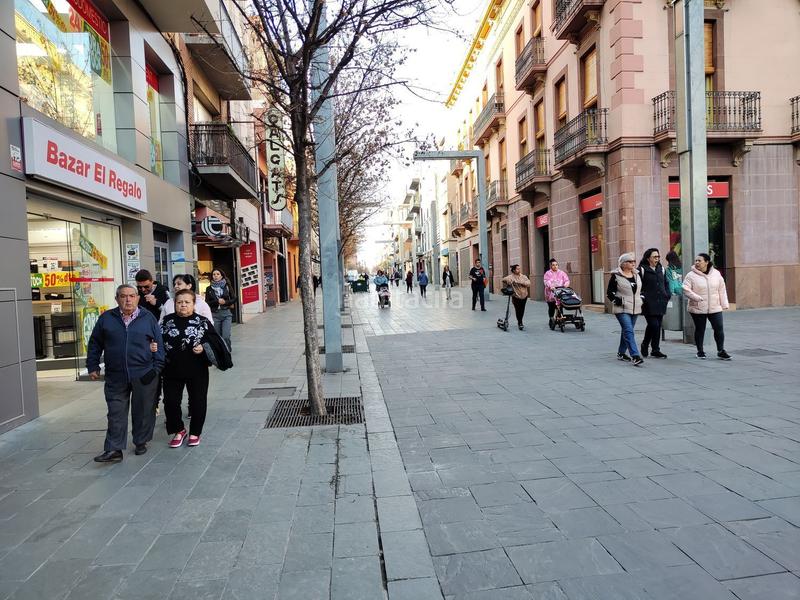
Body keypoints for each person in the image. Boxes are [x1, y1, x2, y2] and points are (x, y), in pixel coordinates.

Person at [87, 284, 165, 462]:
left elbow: (158, 343)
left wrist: (156, 369)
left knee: (144, 410)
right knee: (115, 412)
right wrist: (93, 365)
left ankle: (141, 441)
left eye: (131, 296)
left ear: (138, 298)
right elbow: (95, 343)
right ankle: (114, 449)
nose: (128, 299)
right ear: (117, 299)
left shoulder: (148, 318)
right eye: (123, 296)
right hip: (116, 375)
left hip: (144, 373)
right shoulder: (107, 318)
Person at [160, 289, 214, 448]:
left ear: (193, 304)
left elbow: (216, 344)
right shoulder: (166, 321)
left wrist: (204, 348)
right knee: (170, 401)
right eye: (179, 302)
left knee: (198, 401)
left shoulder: (202, 321)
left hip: (197, 369)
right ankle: (178, 430)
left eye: (186, 302)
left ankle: (195, 432)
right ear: (175, 303)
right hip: (171, 369)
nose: (183, 305)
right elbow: (155, 338)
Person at [682, 253, 731, 360]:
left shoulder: (716, 274)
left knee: (719, 328)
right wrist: (697, 298)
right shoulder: (691, 275)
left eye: (699, 261)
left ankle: (721, 350)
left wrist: (724, 304)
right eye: (696, 261)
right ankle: (700, 351)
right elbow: (685, 289)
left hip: (715, 307)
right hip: (698, 307)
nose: (697, 263)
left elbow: (722, 290)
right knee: (700, 329)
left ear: (707, 262)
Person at [607, 252, 644, 366]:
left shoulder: (638, 275)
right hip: (622, 308)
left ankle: (621, 353)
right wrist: (616, 300)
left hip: (635, 307)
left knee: (626, 331)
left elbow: (642, 290)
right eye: (629, 261)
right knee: (628, 331)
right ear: (622, 264)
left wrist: (642, 298)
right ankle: (635, 355)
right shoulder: (616, 276)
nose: (633, 263)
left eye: (633, 261)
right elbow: (609, 292)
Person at [638, 249, 671, 359]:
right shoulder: (642, 269)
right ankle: (645, 344)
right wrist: (642, 296)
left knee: (657, 325)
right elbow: (638, 285)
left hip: (661, 301)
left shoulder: (661, 268)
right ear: (648, 258)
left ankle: (655, 349)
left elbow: (666, 283)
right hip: (648, 302)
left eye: (658, 256)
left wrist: (667, 294)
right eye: (654, 257)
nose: (657, 259)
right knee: (654, 325)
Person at [205, 268, 238, 351]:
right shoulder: (209, 288)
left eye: (217, 274)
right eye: (214, 274)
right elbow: (207, 303)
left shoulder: (227, 286)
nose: (215, 276)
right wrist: (217, 301)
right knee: (217, 336)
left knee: (226, 336)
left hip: (226, 314)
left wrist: (225, 302)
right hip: (215, 315)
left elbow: (234, 299)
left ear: (222, 276)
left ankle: (227, 351)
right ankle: (222, 352)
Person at [501, 264, 531, 330]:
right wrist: (508, 281)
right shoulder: (511, 277)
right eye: (517, 269)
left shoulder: (523, 276)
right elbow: (504, 279)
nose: (519, 270)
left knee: (522, 309)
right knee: (518, 309)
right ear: (514, 270)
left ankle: (520, 320)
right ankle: (520, 322)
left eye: (519, 269)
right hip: (516, 296)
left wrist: (521, 282)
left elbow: (528, 283)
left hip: (524, 295)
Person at [543, 258, 570, 328]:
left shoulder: (562, 273)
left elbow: (567, 280)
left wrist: (566, 285)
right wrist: (550, 286)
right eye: (553, 265)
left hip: (560, 292)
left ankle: (560, 319)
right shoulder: (548, 273)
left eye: (556, 265)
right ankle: (551, 319)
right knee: (551, 307)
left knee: (559, 307)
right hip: (550, 293)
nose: (555, 266)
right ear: (551, 266)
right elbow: (546, 281)